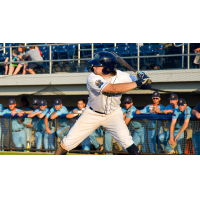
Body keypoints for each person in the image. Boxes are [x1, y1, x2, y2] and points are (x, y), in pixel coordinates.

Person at [55, 51, 151, 155]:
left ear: (106, 68)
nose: (93, 66)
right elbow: (113, 89)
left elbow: (147, 86)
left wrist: (144, 78)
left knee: (127, 142)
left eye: (97, 64)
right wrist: (138, 82)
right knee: (67, 143)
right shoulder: (92, 77)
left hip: (113, 114)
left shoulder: (122, 76)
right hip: (92, 114)